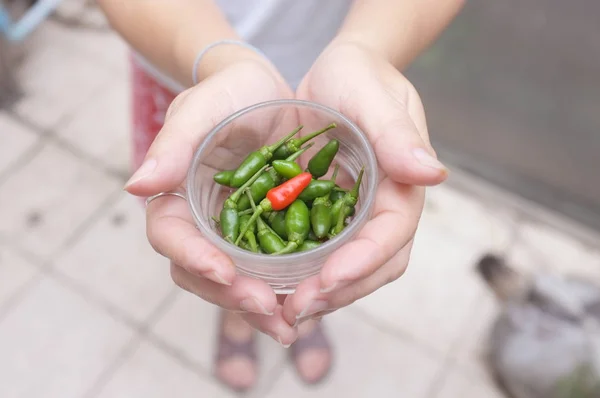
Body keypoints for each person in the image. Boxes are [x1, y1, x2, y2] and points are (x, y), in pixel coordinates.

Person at [97, 0, 463, 392]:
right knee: (226, 253)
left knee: (322, 264)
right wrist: (221, 61)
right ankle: (246, 309)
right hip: (185, 64)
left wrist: (364, 48)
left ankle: (300, 304)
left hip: (335, 70)